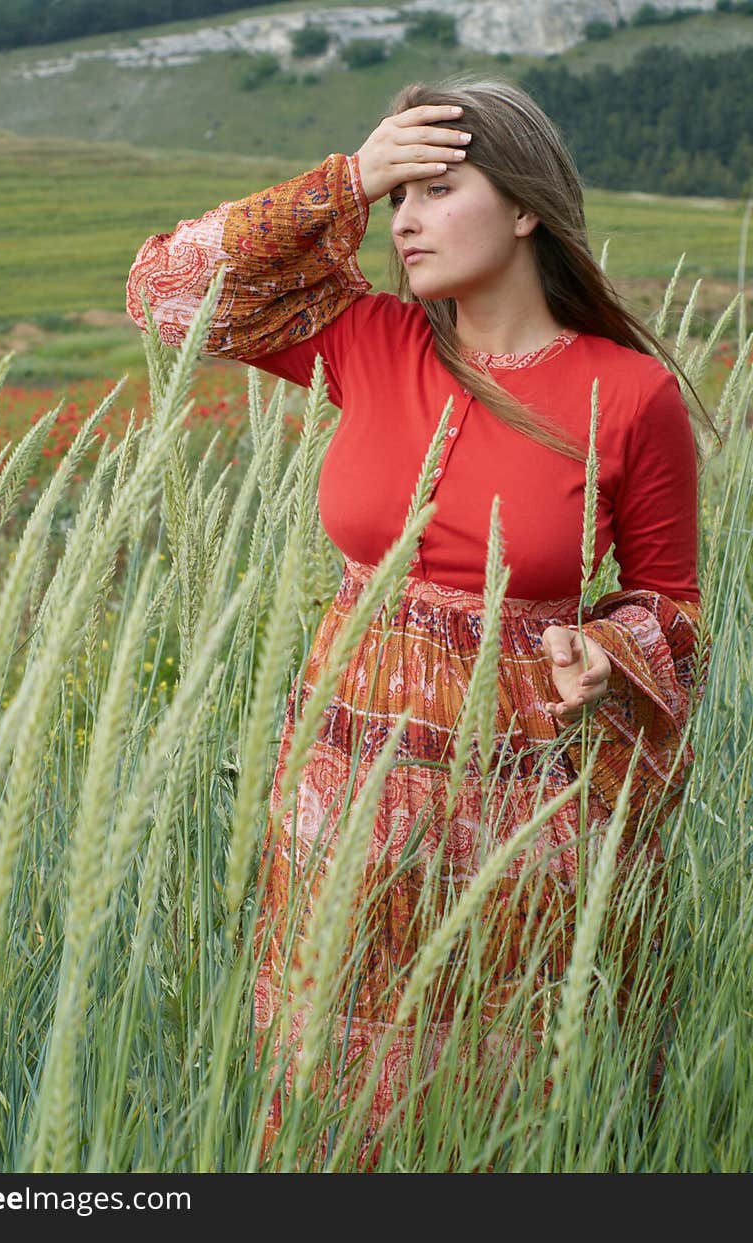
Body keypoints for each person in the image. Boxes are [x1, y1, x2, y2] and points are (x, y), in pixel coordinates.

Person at [126, 77, 709, 1168]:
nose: (403, 222)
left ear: (526, 206)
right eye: (397, 197)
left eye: (436, 190)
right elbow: (163, 293)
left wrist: (613, 649)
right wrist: (343, 180)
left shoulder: (630, 395)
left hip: (531, 819)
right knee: (332, 1117)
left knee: (513, 1120)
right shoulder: (368, 339)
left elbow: (673, 603)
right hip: (342, 803)